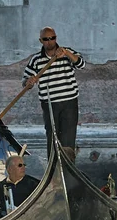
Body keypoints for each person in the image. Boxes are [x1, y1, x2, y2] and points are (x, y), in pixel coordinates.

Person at [23, 26, 85, 157]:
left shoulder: (68, 53)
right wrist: (29, 82)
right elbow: (26, 84)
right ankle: (54, 172)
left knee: (68, 139)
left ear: (56, 38)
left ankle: (68, 173)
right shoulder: (36, 60)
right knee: (52, 138)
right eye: (46, 39)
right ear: (41, 41)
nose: (50, 41)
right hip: (49, 104)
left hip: (69, 102)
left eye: (52, 38)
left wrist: (67, 53)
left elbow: (81, 64)